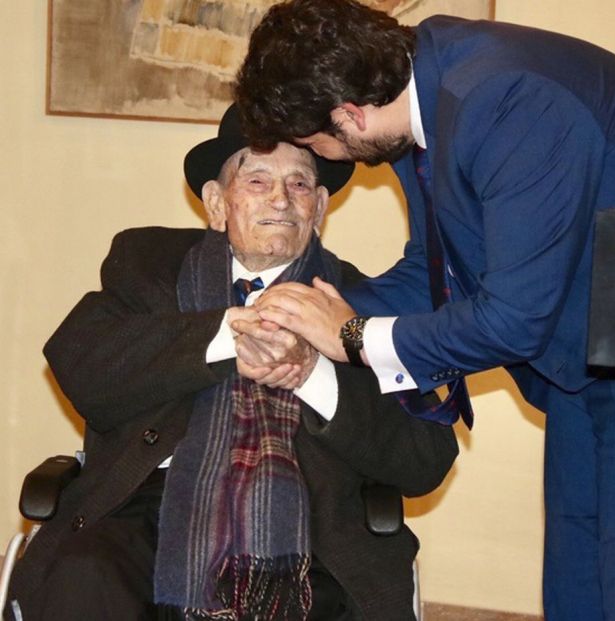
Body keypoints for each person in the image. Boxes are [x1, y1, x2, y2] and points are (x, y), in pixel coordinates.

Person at [234, 2, 615, 620]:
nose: (332, 157)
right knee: (579, 583)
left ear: (349, 114)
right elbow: (437, 267)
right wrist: (309, 311)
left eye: (315, 144)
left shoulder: (505, 98)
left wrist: (354, 336)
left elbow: (513, 319)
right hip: (589, 359)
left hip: (598, 340)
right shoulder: (424, 92)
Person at [5, 104, 457, 621]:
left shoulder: (363, 304)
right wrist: (225, 334)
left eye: (299, 184)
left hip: (307, 528)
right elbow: (82, 362)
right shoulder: (148, 266)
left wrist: (314, 373)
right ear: (217, 204)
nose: (281, 199)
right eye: (258, 180)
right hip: (147, 504)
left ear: (320, 209)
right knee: (85, 578)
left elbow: (425, 457)